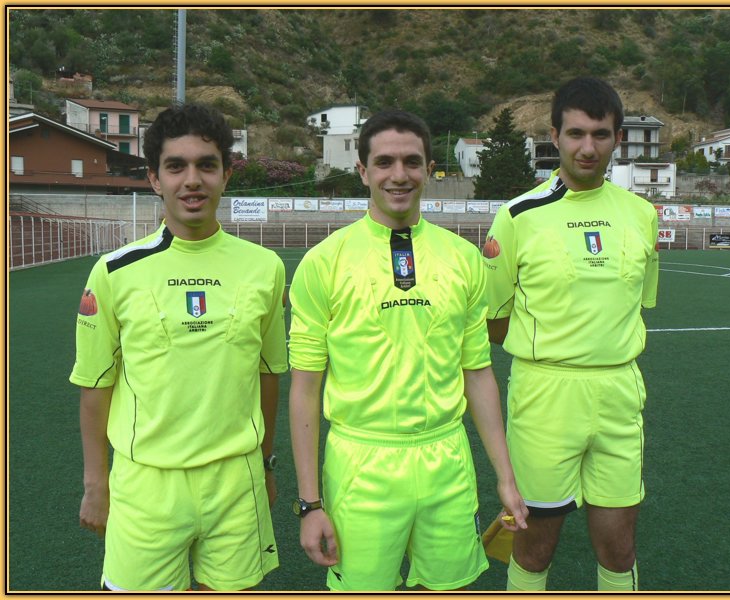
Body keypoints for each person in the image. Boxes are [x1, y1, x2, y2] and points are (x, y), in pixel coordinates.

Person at [288, 109, 528, 591]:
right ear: (363, 171)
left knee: (448, 587)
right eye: (384, 162)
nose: (399, 175)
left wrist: (505, 476)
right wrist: (311, 504)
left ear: (429, 169)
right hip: (361, 463)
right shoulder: (324, 262)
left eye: (412, 162)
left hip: (446, 459)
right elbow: (305, 390)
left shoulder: (463, 258)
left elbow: (477, 373)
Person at [70, 103, 288, 591]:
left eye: (207, 165)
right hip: (146, 483)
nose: (192, 180)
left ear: (226, 175)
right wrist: (95, 483)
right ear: (154, 179)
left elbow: (268, 374)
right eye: (176, 166)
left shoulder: (265, 267)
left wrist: (266, 464)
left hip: (237, 480)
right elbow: (94, 387)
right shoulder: (114, 271)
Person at [482, 76, 659, 591]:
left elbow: (638, 304)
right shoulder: (518, 216)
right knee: (534, 548)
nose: (588, 147)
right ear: (554, 136)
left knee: (619, 549)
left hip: (619, 392)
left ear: (618, 138)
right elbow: (494, 320)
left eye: (600, 135)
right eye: (576, 133)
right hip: (545, 395)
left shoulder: (642, 215)